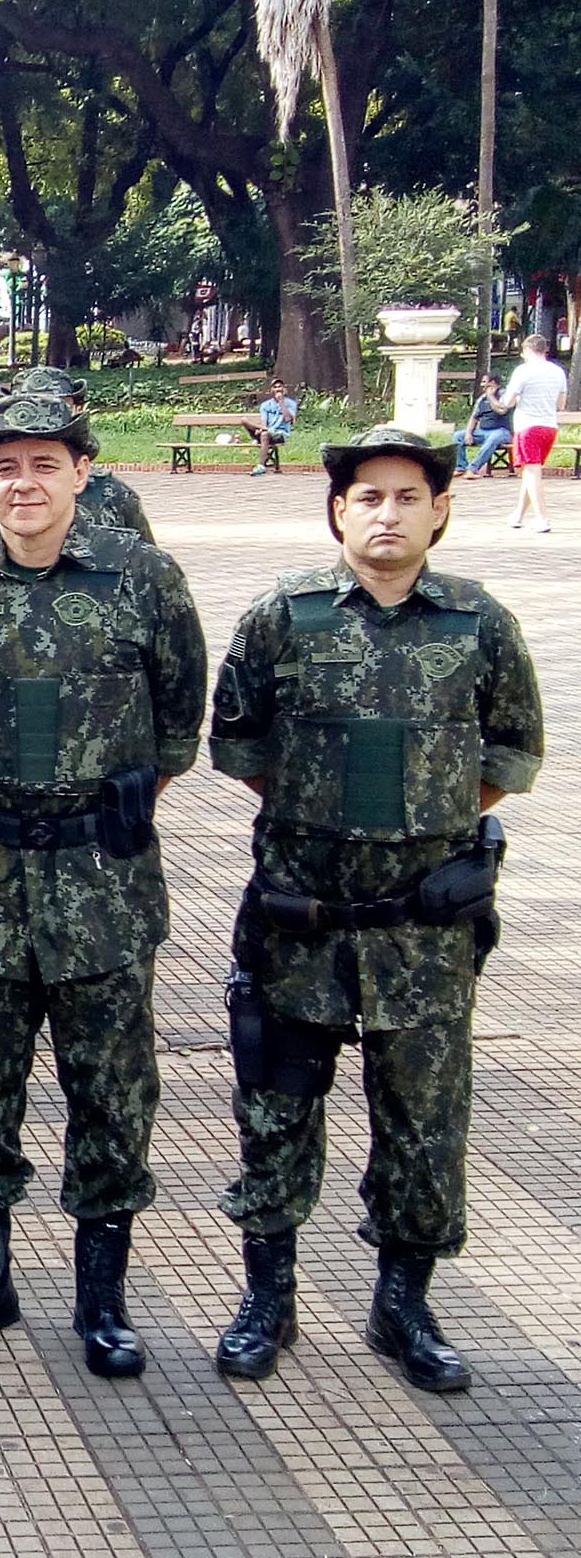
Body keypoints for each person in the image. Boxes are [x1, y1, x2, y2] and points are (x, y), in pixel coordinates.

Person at [208, 426, 542, 1394]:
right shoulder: (284, 613)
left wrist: (420, 824)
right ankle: (267, 1298)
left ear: (439, 510)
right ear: (336, 511)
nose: (385, 513)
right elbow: (239, 745)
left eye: (406, 496)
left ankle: (404, 1304)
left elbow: (511, 752)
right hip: (299, 917)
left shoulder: (478, 623)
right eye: (367, 497)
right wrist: (326, 816)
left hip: (422, 927)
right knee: (276, 1108)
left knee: (423, 1119)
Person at [0, 394, 207, 1377]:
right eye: (3, 465)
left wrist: (97, 804)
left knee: (111, 1091)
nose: (23, 482)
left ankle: (100, 1299)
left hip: (98, 884)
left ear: (84, 471)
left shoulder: (143, 579)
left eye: (44, 462)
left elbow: (176, 720)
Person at [501, 334, 566, 531]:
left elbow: (507, 402)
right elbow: (560, 404)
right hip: (549, 427)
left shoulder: (523, 371)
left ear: (528, 350)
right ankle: (519, 515)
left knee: (531, 472)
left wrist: (516, 400)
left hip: (528, 426)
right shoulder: (558, 371)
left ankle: (542, 517)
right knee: (530, 472)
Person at [453, 375, 513, 479]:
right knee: (458, 436)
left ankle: (472, 469)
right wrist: (468, 433)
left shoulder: (504, 394)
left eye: (485, 382)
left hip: (501, 431)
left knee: (492, 439)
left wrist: (490, 396)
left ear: (493, 383)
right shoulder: (481, 399)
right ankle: (460, 467)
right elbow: (474, 417)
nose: (482, 385)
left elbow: (501, 410)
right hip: (482, 431)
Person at [247, 379, 299, 476]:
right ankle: (260, 433)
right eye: (275, 387)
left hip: (280, 433)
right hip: (266, 431)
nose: (278, 389)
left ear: (283, 389)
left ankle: (261, 466)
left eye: (280, 386)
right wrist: (262, 428)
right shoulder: (265, 405)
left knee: (265, 434)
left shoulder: (291, 403)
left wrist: (281, 403)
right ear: (271, 390)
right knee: (245, 421)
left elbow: (288, 419)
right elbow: (264, 422)